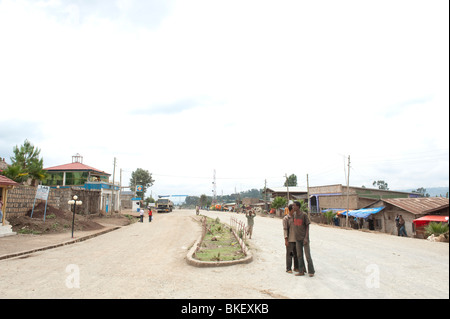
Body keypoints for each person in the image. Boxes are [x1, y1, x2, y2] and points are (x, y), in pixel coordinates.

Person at [293, 201, 315, 277]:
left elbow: (307, 226)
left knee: (307, 255)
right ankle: (301, 271)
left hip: (304, 238)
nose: (293, 207)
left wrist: (306, 238)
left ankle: (311, 271)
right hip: (297, 239)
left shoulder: (304, 215)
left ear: (298, 207)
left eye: (294, 206)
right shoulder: (294, 215)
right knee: (299, 255)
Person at [283, 204, 299, 273]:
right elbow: (285, 229)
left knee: (296, 254)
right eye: (293, 208)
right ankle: (288, 268)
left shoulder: (296, 217)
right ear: (291, 210)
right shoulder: (286, 218)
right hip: (290, 239)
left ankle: (296, 267)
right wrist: (286, 240)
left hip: (297, 239)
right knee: (289, 254)